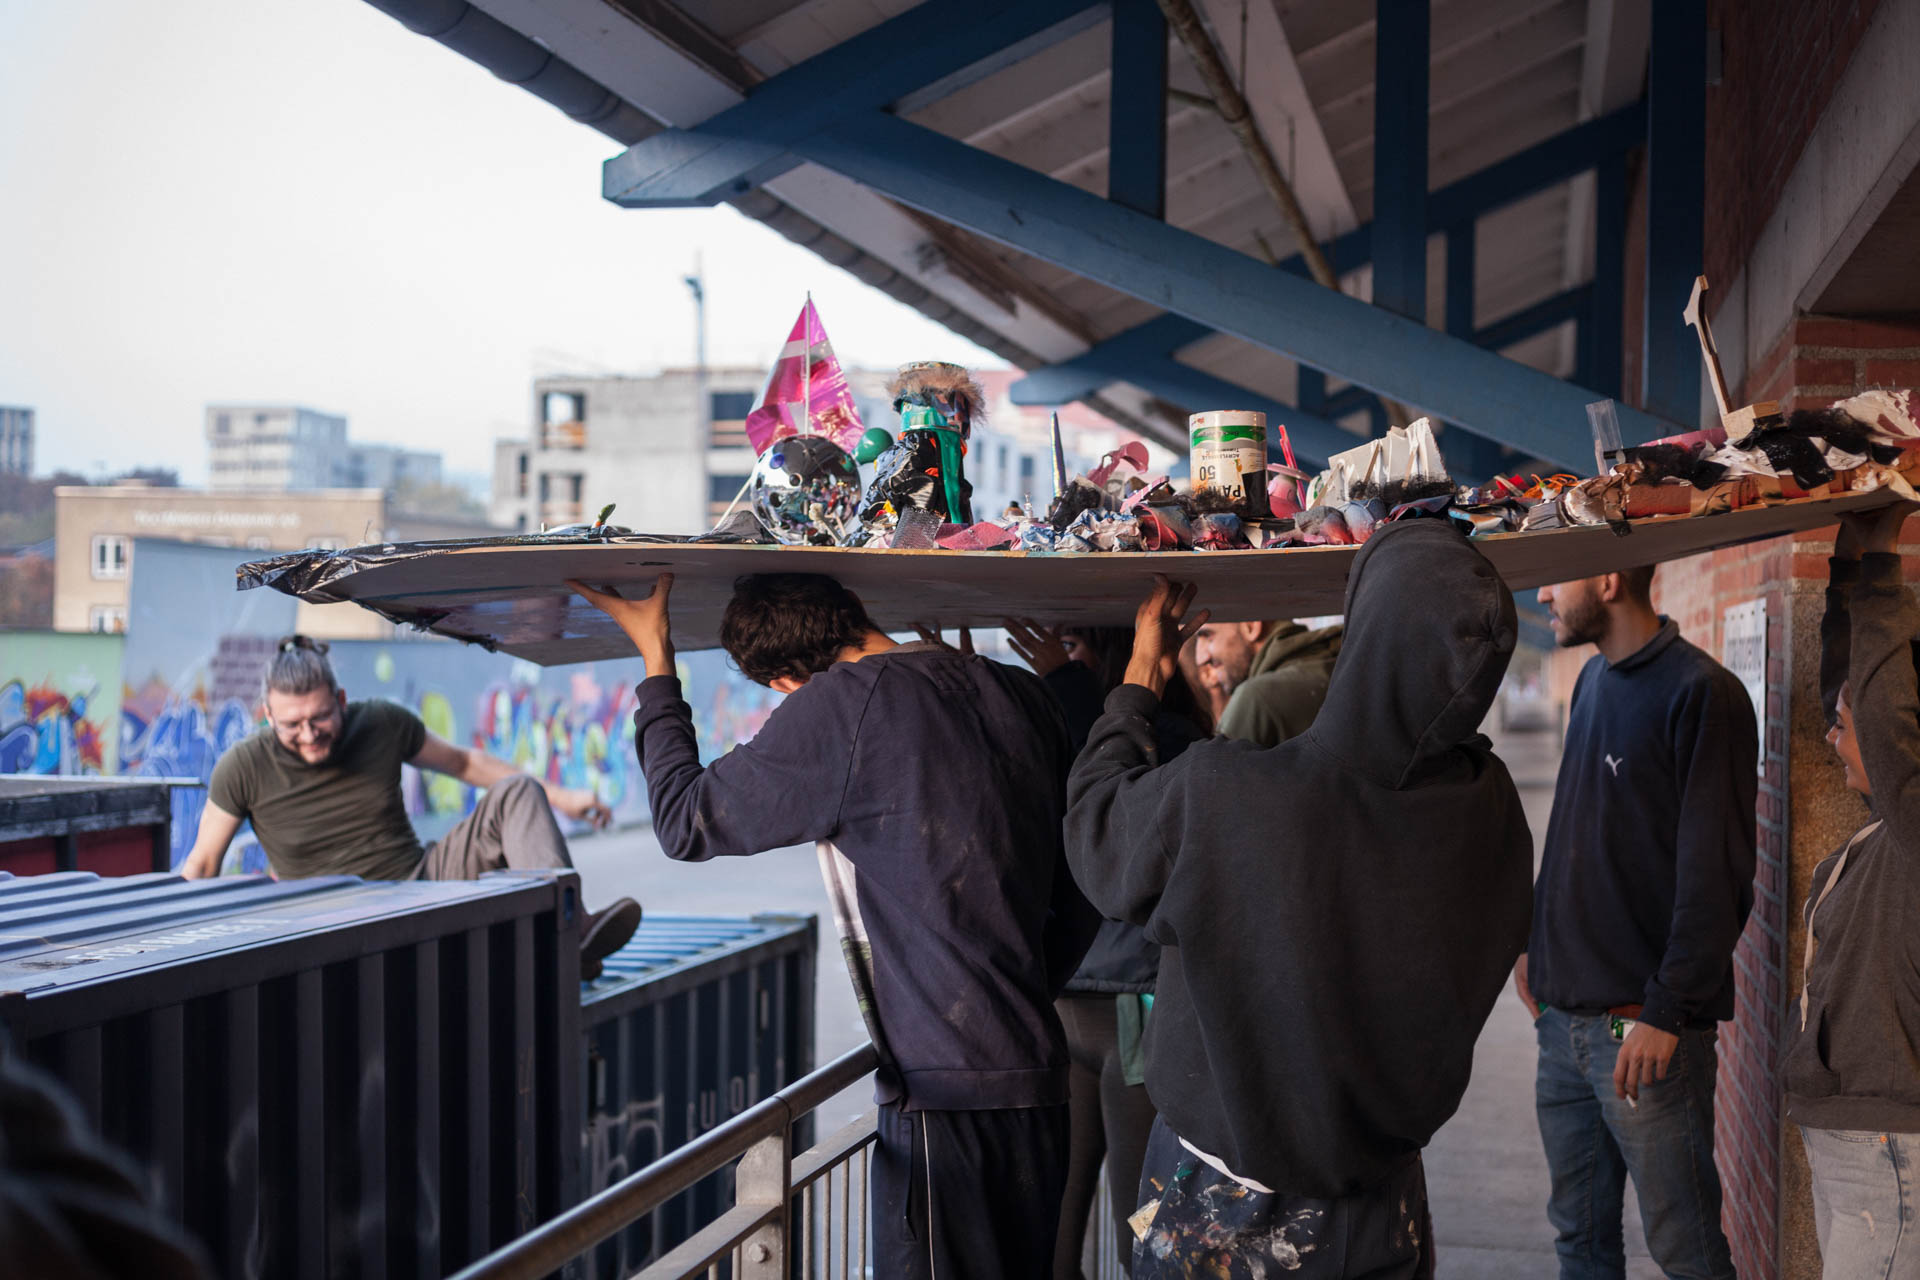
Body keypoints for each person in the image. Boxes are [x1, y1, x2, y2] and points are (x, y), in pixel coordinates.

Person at [571, 571, 1099, 1280]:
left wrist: (656, 660)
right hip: (1037, 1081)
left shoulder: (843, 705)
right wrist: (1019, 990)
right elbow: (1083, 883)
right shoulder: (1019, 691)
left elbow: (682, 818)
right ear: (853, 607)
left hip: (945, 1099)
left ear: (789, 681)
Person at [1065, 518, 1534, 1278]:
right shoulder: (1490, 805)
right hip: (1385, 1206)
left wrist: (1138, 682)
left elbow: (1095, 834)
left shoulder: (1232, 795)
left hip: (1219, 1215)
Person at [1516, 563, 1756, 1280]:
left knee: (1686, 1251)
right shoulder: (1591, 681)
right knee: (1579, 1240)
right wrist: (1535, 945)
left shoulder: (1701, 693)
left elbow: (1716, 876)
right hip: (1562, 1029)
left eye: (1558, 578)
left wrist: (1666, 1011)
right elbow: (1578, 829)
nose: (1543, 594)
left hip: (1639, 1033)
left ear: (1610, 580)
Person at [180, 635, 641, 978]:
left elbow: (464, 762)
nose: (308, 734)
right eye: (291, 724)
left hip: (420, 885)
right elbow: (201, 864)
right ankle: (566, 953)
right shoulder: (242, 766)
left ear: (341, 700)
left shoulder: (381, 722)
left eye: (319, 717)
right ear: (268, 716)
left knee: (518, 792)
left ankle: (571, 936)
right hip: (326, 923)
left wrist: (564, 797)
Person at [1005, 620, 1205, 1280]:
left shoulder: (1136, 739)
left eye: (1073, 649)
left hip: (1091, 1002)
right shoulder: (1180, 743)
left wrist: (1063, 684)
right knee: (1134, 1218)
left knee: (1082, 1218)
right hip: (1126, 1007)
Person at [1783, 502, 1920, 1280]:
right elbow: (1853, 689)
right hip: (1857, 1149)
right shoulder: (1881, 834)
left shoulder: (1916, 825)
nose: (1830, 736)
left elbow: (1880, 706)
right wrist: (1848, 555)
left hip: (1890, 1155)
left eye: (1843, 723)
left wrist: (1883, 561)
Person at [1191, 617, 1342, 745]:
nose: (1200, 658)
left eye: (1209, 637)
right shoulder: (1337, 665)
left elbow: (1215, 770)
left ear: (1251, 626)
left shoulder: (1255, 698)